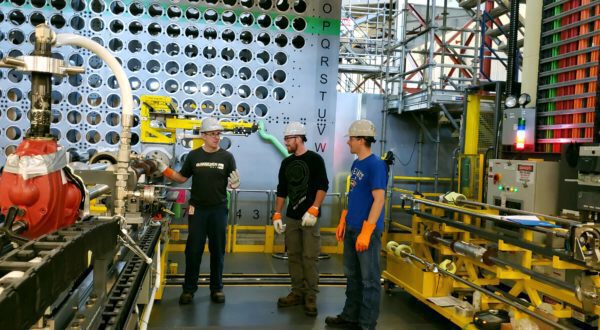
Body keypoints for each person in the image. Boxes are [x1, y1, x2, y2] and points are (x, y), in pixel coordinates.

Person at [157, 117, 240, 305]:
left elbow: (232, 181)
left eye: (218, 134)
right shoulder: (194, 156)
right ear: (203, 136)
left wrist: (234, 184)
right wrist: (165, 170)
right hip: (198, 210)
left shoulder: (227, 157)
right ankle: (188, 290)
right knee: (193, 251)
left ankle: (217, 288)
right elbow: (181, 178)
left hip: (218, 210)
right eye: (212, 134)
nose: (216, 138)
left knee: (217, 250)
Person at [326, 119, 388, 330]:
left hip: (366, 232)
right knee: (352, 277)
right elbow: (355, 195)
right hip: (353, 227)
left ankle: (366, 324)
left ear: (361, 140)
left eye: (351, 139)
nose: (348, 142)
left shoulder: (376, 164)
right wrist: (345, 219)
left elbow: (379, 199)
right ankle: (350, 315)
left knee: (370, 281)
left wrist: (368, 231)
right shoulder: (356, 164)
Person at [272, 122, 329, 317]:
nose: (286, 142)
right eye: (285, 139)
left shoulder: (315, 160)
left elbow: (323, 185)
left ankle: (310, 295)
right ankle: (297, 292)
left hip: (310, 218)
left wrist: (314, 208)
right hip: (293, 217)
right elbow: (282, 190)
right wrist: (277, 213)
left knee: (310, 257)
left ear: (298, 139)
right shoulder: (286, 163)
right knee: (294, 256)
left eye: (288, 139)